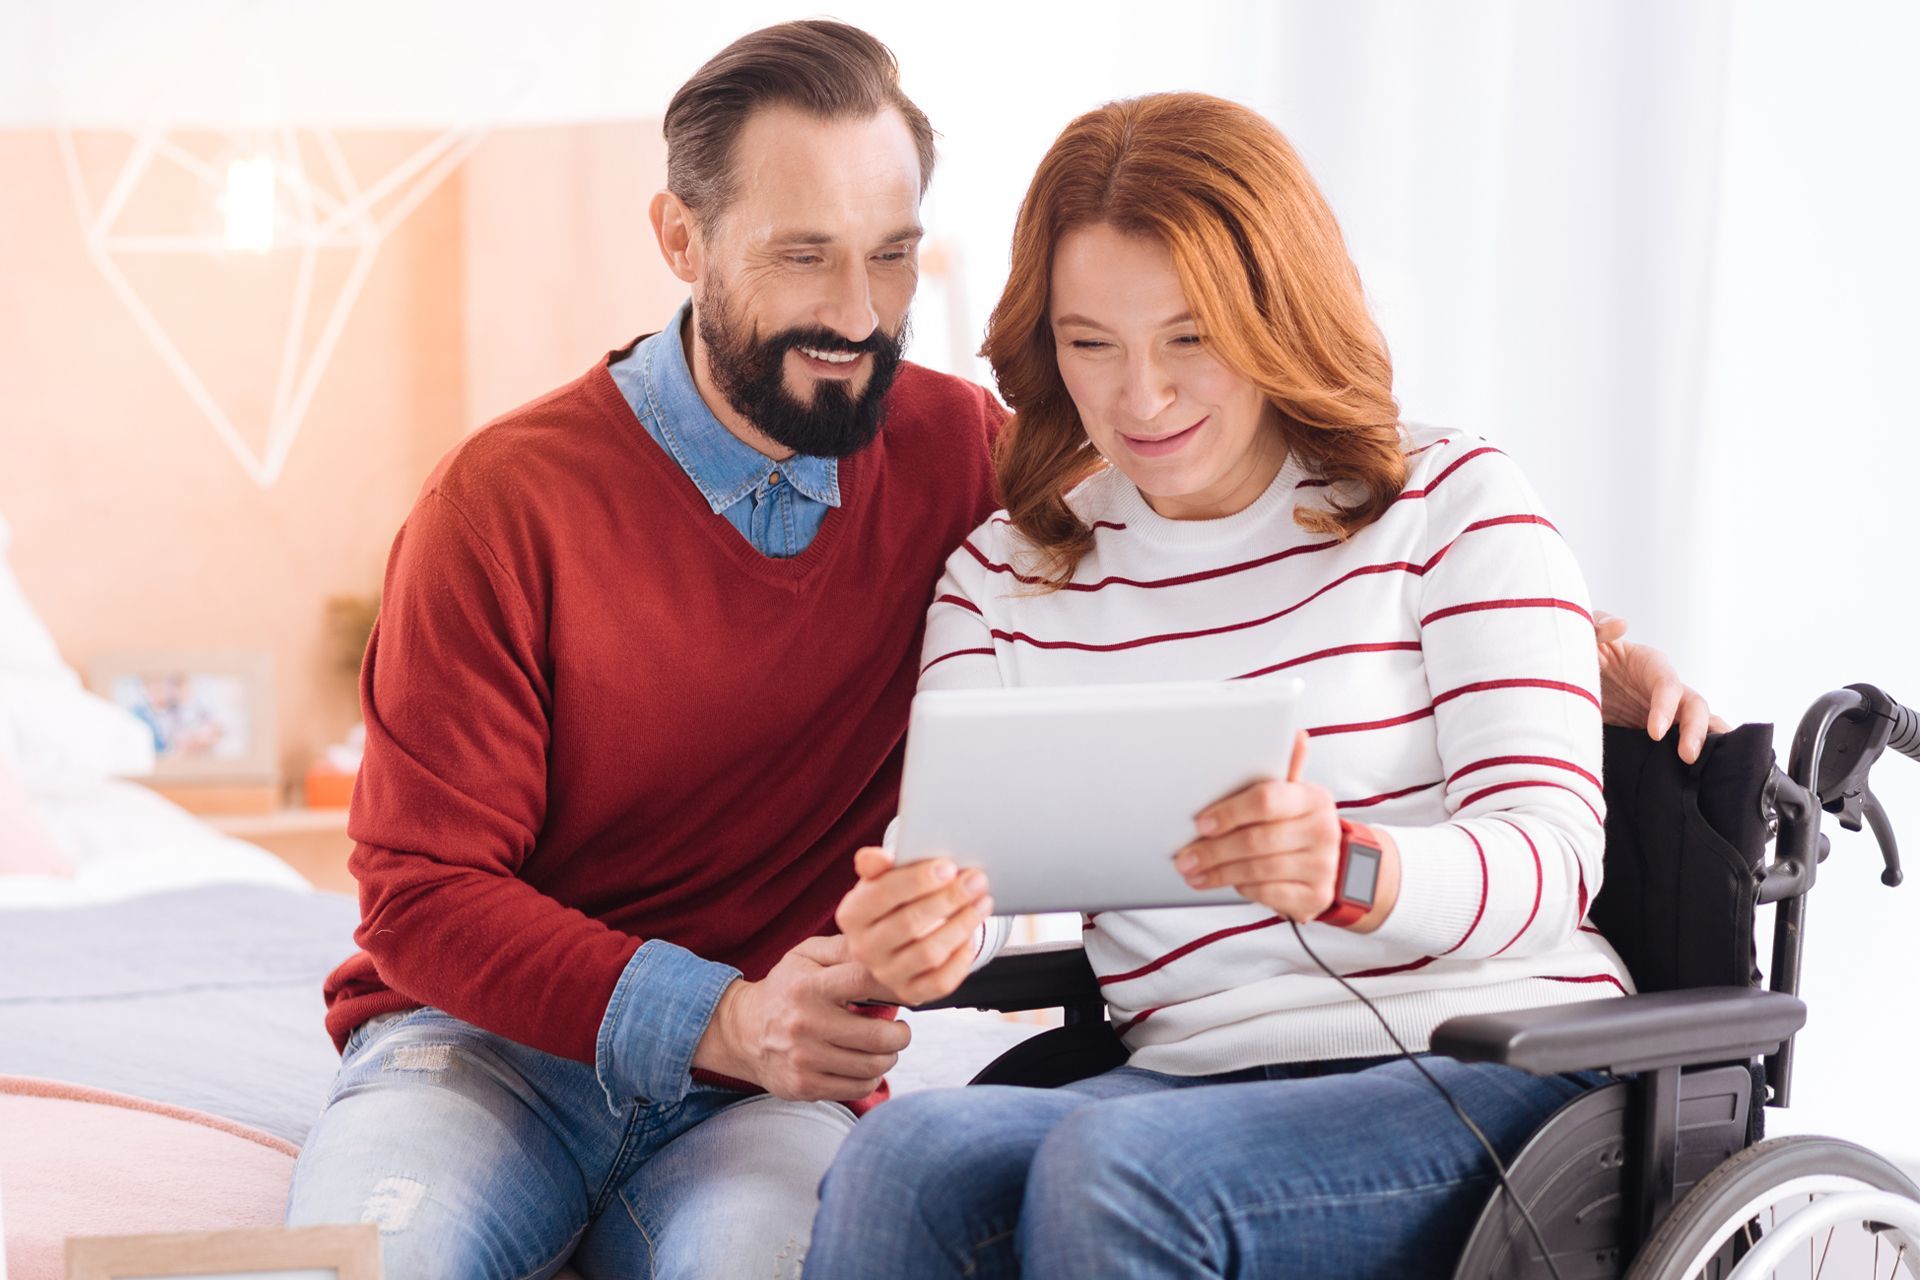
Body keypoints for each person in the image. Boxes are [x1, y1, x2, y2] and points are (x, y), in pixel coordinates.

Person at [285, 22, 1716, 1280]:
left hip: (1469, 1062)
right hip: (513, 1048)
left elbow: (1524, 811)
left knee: (1081, 1175)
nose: (856, 313)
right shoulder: (1010, 547)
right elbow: (424, 886)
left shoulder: (971, 458)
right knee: (904, 1167)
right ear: (681, 240)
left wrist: (1561, 650)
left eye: (892, 257)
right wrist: (908, 939)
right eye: (802, 257)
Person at [808, 91, 1693, 1280]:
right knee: (905, 1153)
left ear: (1277, 313)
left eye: (1189, 338)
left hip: (1495, 1066)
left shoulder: (1455, 505)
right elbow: (987, 882)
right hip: (1184, 1081)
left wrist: (1350, 868)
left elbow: (1548, 859)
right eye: (1092, 343)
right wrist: (926, 937)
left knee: (1118, 1172)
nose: (1141, 398)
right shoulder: (1004, 578)